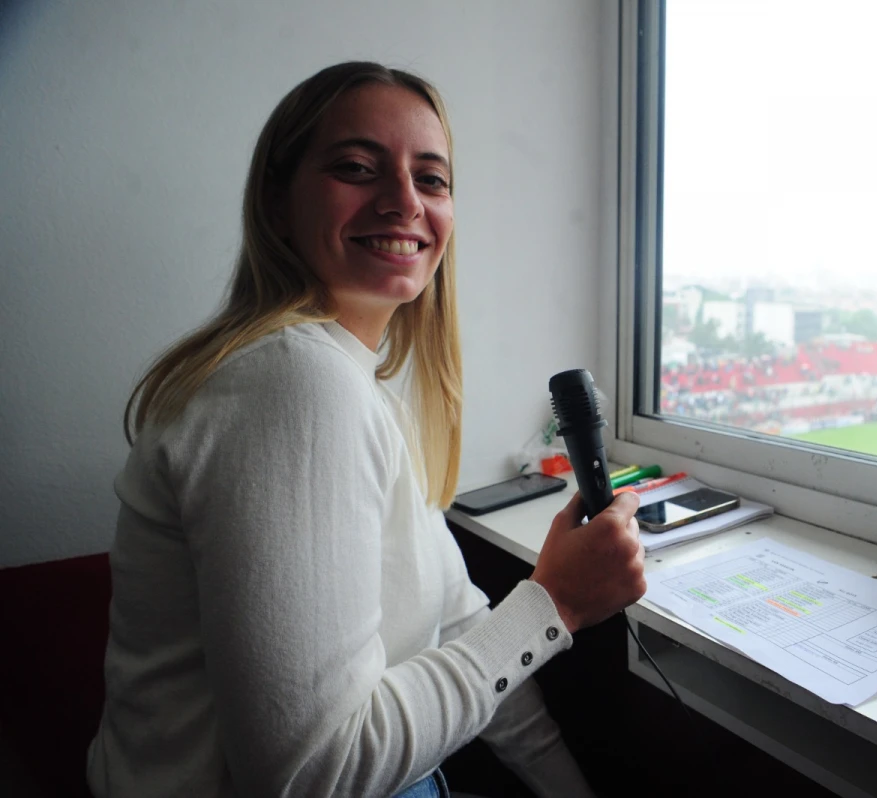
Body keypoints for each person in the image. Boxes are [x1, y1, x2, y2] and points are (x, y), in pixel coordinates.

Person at [87, 61, 646, 798]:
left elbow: (459, 627)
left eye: (433, 179)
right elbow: (313, 774)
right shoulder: (292, 384)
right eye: (357, 167)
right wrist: (559, 603)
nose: (404, 201)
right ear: (278, 202)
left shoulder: (355, 385)